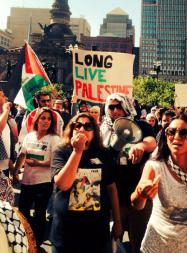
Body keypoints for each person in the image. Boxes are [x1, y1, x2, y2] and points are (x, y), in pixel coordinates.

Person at [131, 115, 187, 253]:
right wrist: (141, 194)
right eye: (171, 132)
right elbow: (137, 205)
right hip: (155, 247)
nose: (176, 136)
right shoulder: (155, 166)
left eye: (184, 133)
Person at [51, 113, 122, 253]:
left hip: (96, 232)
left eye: (88, 126)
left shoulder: (104, 154)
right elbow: (63, 184)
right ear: (71, 129)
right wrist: (77, 151)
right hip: (66, 231)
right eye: (77, 125)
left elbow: (111, 188)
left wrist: (118, 222)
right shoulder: (62, 151)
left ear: (94, 132)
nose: (82, 129)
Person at [100, 93, 156, 253]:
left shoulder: (141, 126)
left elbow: (152, 141)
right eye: (111, 107)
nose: (115, 110)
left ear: (126, 106)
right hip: (111, 198)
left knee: (140, 244)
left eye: (119, 106)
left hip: (137, 199)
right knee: (109, 245)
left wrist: (141, 146)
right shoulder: (101, 130)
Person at [13, 107, 60, 248]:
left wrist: (38, 163)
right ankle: (26, 239)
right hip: (27, 181)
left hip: (43, 183)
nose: (46, 121)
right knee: (23, 212)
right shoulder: (29, 136)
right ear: (37, 119)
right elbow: (22, 155)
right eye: (43, 118)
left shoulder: (54, 139)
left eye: (49, 119)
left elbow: (55, 162)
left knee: (40, 215)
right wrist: (15, 173)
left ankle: (37, 243)